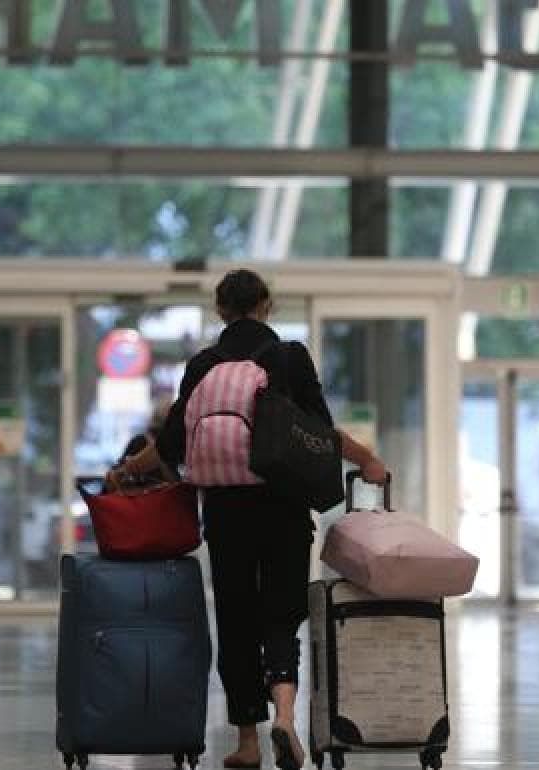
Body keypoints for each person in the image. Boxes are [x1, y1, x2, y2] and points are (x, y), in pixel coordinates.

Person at [110, 269, 388, 770]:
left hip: (225, 511)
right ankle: (284, 715)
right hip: (283, 507)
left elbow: (172, 444)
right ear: (267, 304)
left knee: (237, 620)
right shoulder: (289, 357)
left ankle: (247, 742)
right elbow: (321, 433)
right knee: (282, 614)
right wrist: (367, 459)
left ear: (221, 311)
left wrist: (126, 470)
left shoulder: (202, 365)